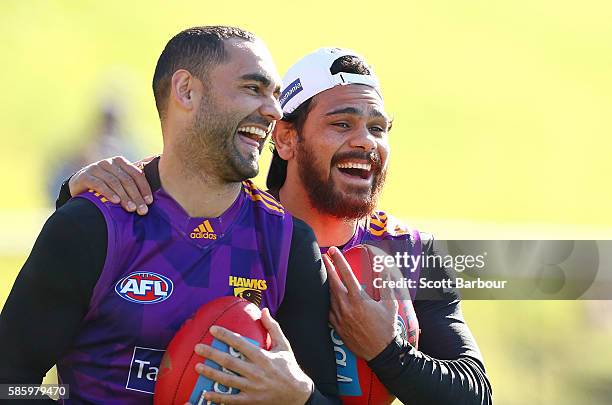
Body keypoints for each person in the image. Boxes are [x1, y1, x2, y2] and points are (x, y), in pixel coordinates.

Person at [58, 48, 493, 404]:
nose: (366, 140)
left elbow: (476, 396)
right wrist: (78, 201)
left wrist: (387, 351)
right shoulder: (235, 227)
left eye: (378, 128)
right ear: (284, 138)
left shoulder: (406, 251)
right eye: (342, 123)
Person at [0, 27, 340, 405]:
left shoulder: (287, 242)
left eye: (275, 96)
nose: (274, 111)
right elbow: (9, 382)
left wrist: (301, 397)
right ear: (186, 91)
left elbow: (327, 396)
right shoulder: (92, 227)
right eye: (252, 88)